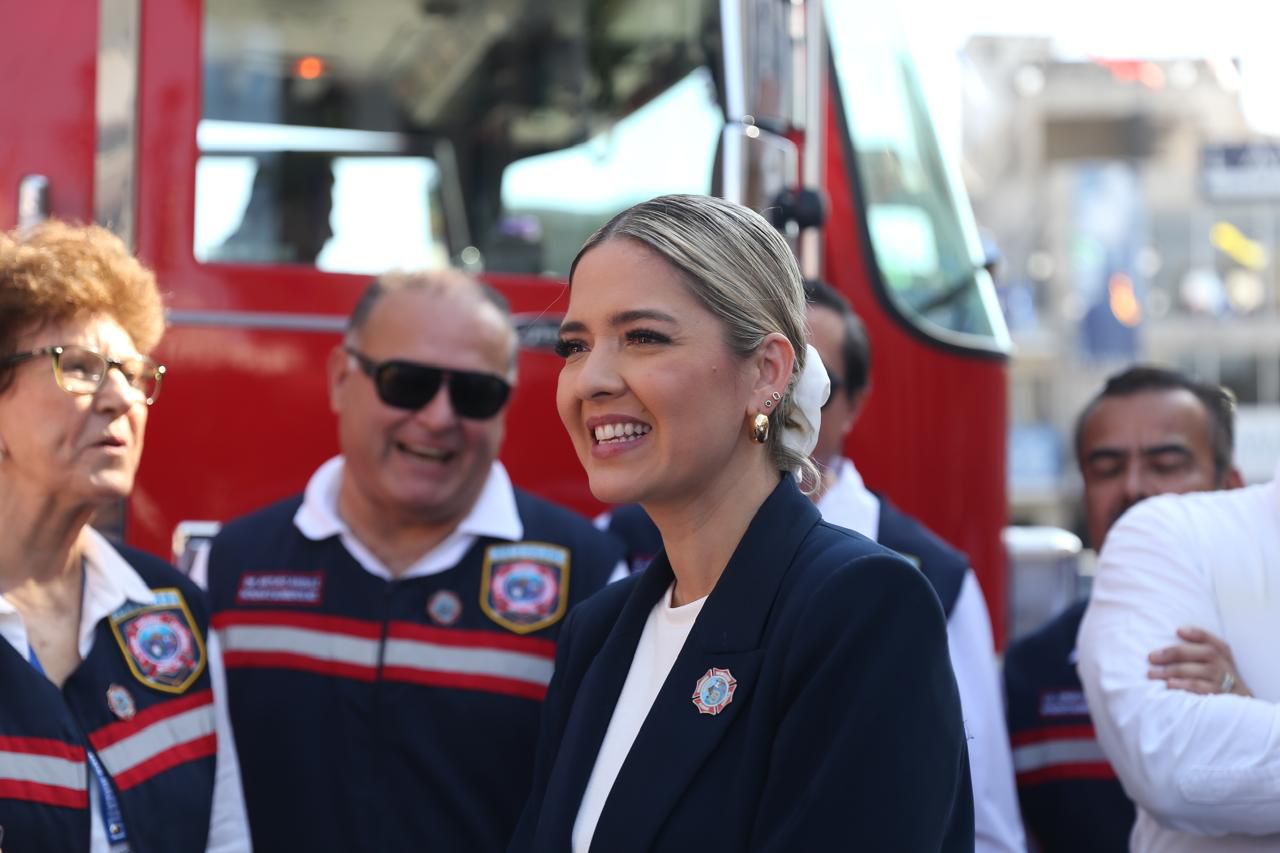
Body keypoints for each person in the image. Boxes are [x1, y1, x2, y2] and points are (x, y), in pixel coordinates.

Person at [512, 194, 973, 851]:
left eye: (643, 336)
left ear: (767, 371)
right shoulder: (599, 629)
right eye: (574, 344)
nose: (591, 378)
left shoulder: (861, 607)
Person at [202, 270, 623, 851]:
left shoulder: (592, 579)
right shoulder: (234, 569)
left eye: (475, 393)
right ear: (340, 379)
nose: (439, 417)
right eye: (407, 383)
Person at [0, 221, 249, 853]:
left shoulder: (171, 609)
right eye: (79, 367)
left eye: (133, 372)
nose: (120, 397)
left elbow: (225, 838)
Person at [803, 278, 1024, 853]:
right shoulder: (642, 549)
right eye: (764, 368)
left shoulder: (935, 580)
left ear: (854, 404)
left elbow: (985, 819)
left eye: (815, 383)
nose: (786, 399)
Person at [1005, 366, 1243, 852]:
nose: (1134, 488)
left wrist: (1243, 708)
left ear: (1231, 488)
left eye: (1167, 464)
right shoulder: (1030, 673)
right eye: (1108, 469)